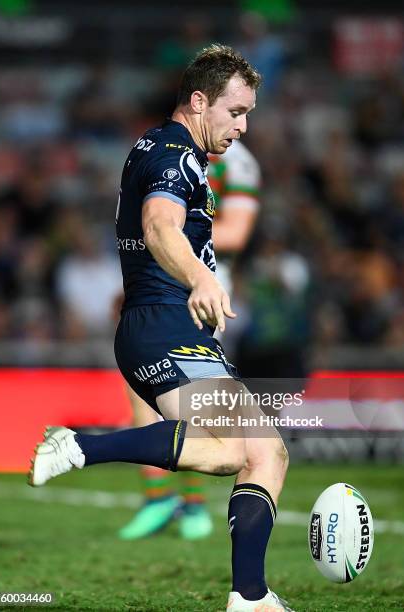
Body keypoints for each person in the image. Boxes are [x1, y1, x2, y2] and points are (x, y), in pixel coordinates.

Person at [28, 44, 291, 612]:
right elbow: (158, 224)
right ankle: (79, 446)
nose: (243, 126)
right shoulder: (175, 154)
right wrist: (200, 276)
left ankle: (250, 597)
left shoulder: (164, 147)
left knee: (262, 453)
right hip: (167, 325)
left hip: (165, 324)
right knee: (239, 452)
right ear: (200, 101)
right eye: (236, 111)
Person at [117, 139, 261, 542]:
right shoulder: (162, 153)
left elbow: (235, 232)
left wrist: (169, 225)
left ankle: (194, 501)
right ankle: (158, 496)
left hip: (204, 286)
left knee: (190, 397)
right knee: (140, 386)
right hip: (156, 280)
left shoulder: (238, 163)